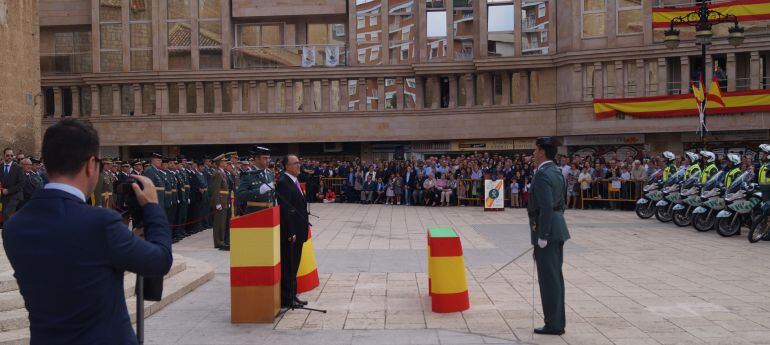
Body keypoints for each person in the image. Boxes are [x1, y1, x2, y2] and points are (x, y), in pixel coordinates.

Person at [3, 118, 172, 344]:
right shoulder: (101, 223)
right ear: (91, 165)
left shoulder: (15, 227)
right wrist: (152, 207)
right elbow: (160, 260)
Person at [528, 137, 570, 336]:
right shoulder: (557, 171)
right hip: (557, 226)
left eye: (535, 150)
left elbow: (545, 206)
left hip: (547, 230)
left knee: (549, 279)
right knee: (555, 277)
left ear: (542, 152)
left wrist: (542, 234)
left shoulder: (543, 174)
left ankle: (553, 324)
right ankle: (556, 321)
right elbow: (561, 203)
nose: (533, 154)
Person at [277, 155, 310, 309]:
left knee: (295, 264)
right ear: (286, 166)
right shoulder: (284, 182)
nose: (299, 165)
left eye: (299, 162)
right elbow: (285, 210)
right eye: (295, 163)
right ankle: (287, 298)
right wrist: (290, 232)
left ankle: (293, 295)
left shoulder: (294, 181)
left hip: (300, 229)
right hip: (292, 233)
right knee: (289, 265)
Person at [236, 146, 275, 215]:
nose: (268, 160)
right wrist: (259, 191)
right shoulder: (248, 175)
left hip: (270, 213)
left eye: (269, 158)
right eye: (265, 158)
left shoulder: (270, 174)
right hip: (255, 213)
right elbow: (240, 195)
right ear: (257, 159)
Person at [210, 154, 229, 250]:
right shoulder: (217, 173)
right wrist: (217, 203)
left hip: (224, 200)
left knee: (223, 221)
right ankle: (218, 241)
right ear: (220, 163)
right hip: (220, 201)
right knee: (218, 222)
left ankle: (221, 240)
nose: (226, 163)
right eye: (224, 161)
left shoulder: (222, 172)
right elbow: (216, 189)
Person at [0, 148, 25, 224]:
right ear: (4, 156)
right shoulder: (0, 167)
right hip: (4, 196)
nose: (10, 157)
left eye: (11, 155)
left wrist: (9, 191)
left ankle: (8, 233)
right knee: (3, 215)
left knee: (7, 214)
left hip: (15, 195)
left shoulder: (18, 168)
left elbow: (21, 183)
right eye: (7, 155)